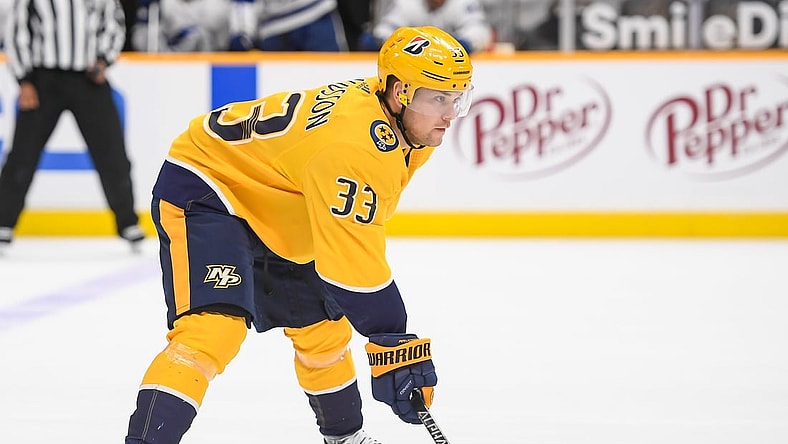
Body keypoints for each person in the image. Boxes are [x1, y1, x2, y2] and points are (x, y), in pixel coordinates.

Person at [124, 25, 474, 444]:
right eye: (438, 98)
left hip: (280, 198)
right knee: (211, 332)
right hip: (211, 186)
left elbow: (346, 245)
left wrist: (389, 340)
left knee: (323, 329)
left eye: (457, 97)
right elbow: (353, 266)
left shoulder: (408, 126)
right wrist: (392, 339)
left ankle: (345, 438)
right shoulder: (356, 145)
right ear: (399, 92)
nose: (450, 113)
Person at [0, 0, 144, 251]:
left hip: (89, 79)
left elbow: (114, 22)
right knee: (23, 153)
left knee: (112, 152)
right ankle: (3, 222)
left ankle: (127, 222)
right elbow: (17, 31)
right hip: (43, 78)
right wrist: (24, 79)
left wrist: (103, 60)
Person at [359, 0, 493, 53]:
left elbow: (479, 31)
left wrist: (457, 45)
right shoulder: (407, 3)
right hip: (414, 63)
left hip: (454, 63)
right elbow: (384, 31)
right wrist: (384, 40)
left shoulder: (463, 3)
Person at [228, 0, 347, 51]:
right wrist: (243, 32)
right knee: (278, 95)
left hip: (316, 16)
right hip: (274, 30)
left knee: (333, 86)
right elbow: (243, 3)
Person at [132, 0, 233, 52]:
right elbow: (140, 45)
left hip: (207, 67)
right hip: (168, 67)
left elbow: (224, 49)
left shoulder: (218, 6)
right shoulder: (162, 4)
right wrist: (146, 18)